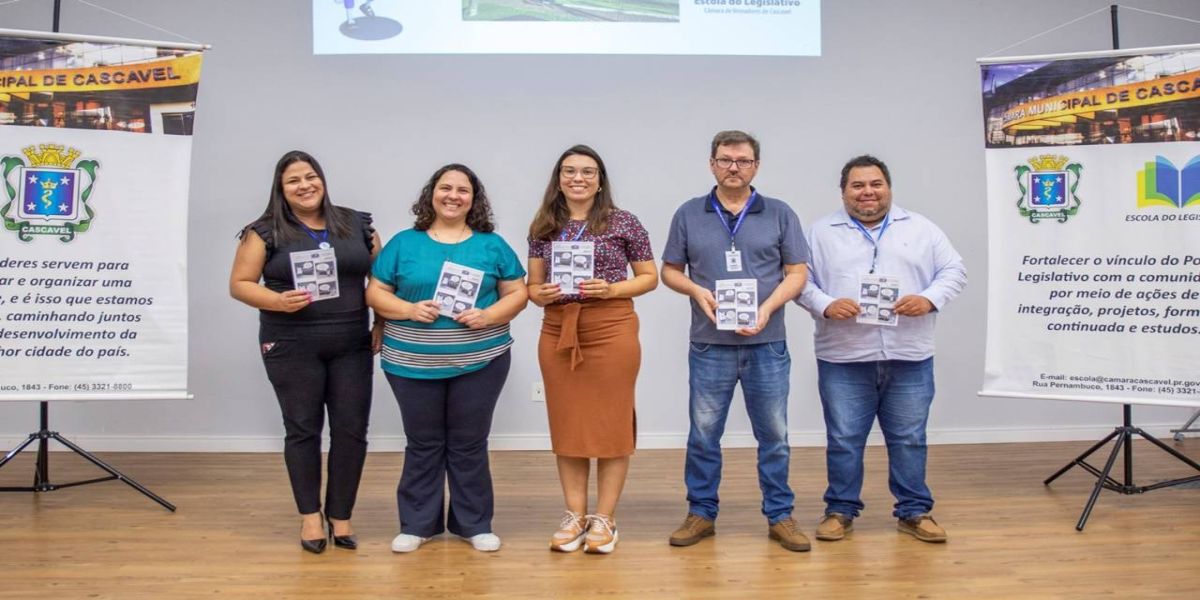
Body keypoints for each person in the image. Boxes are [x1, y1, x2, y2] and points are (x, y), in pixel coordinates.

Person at [797, 155, 966, 543]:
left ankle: (914, 511)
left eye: (875, 184)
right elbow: (799, 280)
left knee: (909, 437)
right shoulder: (819, 232)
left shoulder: (921, 228)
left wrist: (929, 298)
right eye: (857, 186)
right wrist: (824, 304)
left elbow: (955, 270)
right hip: (844, 357)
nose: (867, 192)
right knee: (843, 439)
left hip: (909, 354)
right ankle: (840, 510)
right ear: (843, 192)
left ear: (888, 187)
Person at [661, 130, 811, 552]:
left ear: (756, 167)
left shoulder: (779, 212)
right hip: (710, 345)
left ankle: (780, 515)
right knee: (704, 435)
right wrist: (696, 291)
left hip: (768, 343)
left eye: (743, 161)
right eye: (725, 160)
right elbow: (669, 270)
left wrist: (767, 308)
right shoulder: (689, 213)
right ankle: (701, 514)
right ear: (712, 164)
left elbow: (797, 272)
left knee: (775, 436)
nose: (733, 167)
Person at [366, 164, 528, 553]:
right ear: (431, 194)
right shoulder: (404, 243)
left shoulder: (492, 244)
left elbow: (518, 293)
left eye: (463, 190)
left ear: (475, 199)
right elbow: (375, 293)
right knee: (422, 443)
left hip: (482, 362)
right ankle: (417, 524)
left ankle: (474, 524)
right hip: (410, 365)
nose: (453, 195)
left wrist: (489, 315)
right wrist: (406, 309)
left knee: (469, 442)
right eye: (445, 187)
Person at [229, 150, 382, 554]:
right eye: (293, 180)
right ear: (281, 189)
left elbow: (382, 281)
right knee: (302, 429)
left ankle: (341, 514)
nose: (305, 185)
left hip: (352, 341)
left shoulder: (357, 225)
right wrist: (276, 301)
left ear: (323, 180)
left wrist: (382, 322)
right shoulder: (262, 232)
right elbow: (241, 283)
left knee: (351, 430)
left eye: (311, 176)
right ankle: (311, 516)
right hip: (290, 343)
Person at [527, 144, 658, 554]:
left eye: (587, 171)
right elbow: (532, 287)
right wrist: (541, 294)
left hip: (610, 328)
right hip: (557, 331)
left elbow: (649, 277)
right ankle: (574, 515)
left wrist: (612, 288)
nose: (578, 178)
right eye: (569, 171)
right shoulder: (543, 225)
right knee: (568, 423)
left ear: (600, 179)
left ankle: (605, 518)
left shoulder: (624, 222)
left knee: (611, 423)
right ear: (558, 178)